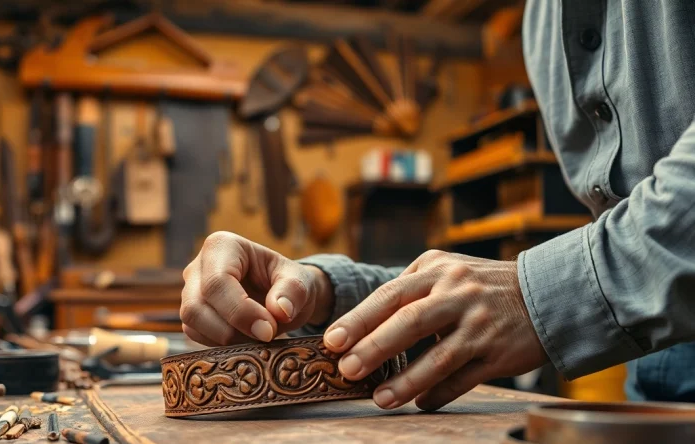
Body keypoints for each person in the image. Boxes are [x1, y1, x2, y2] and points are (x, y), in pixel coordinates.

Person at [180, 1, 695, 409]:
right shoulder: (543, 18)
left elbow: (561, 283)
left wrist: (537, 294)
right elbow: (616, 237)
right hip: (657, 373)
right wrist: (325, 291)